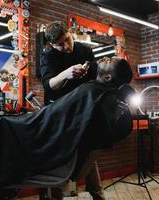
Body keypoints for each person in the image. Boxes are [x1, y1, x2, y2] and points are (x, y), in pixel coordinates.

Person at [0, 57, 134, 198]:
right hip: (46, 131)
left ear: (108, 76)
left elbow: (50, 123)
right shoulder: (99, 96)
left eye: (111, 60)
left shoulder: (92, 93)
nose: (106, 58)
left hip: (43, 142)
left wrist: (33, 119)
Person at [40, 21, 102, 199]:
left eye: (67, 39)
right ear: (52, 45)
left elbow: (95, 78)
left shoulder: (85, 51)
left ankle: (97, 194)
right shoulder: (47, 56)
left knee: (88, 152)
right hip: (58, 113)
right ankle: (55, 196)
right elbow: (48, 85)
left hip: (82, 110)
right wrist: (65, 74)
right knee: (57, 156)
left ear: (70, 33)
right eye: (60, 44)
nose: (66, 46)